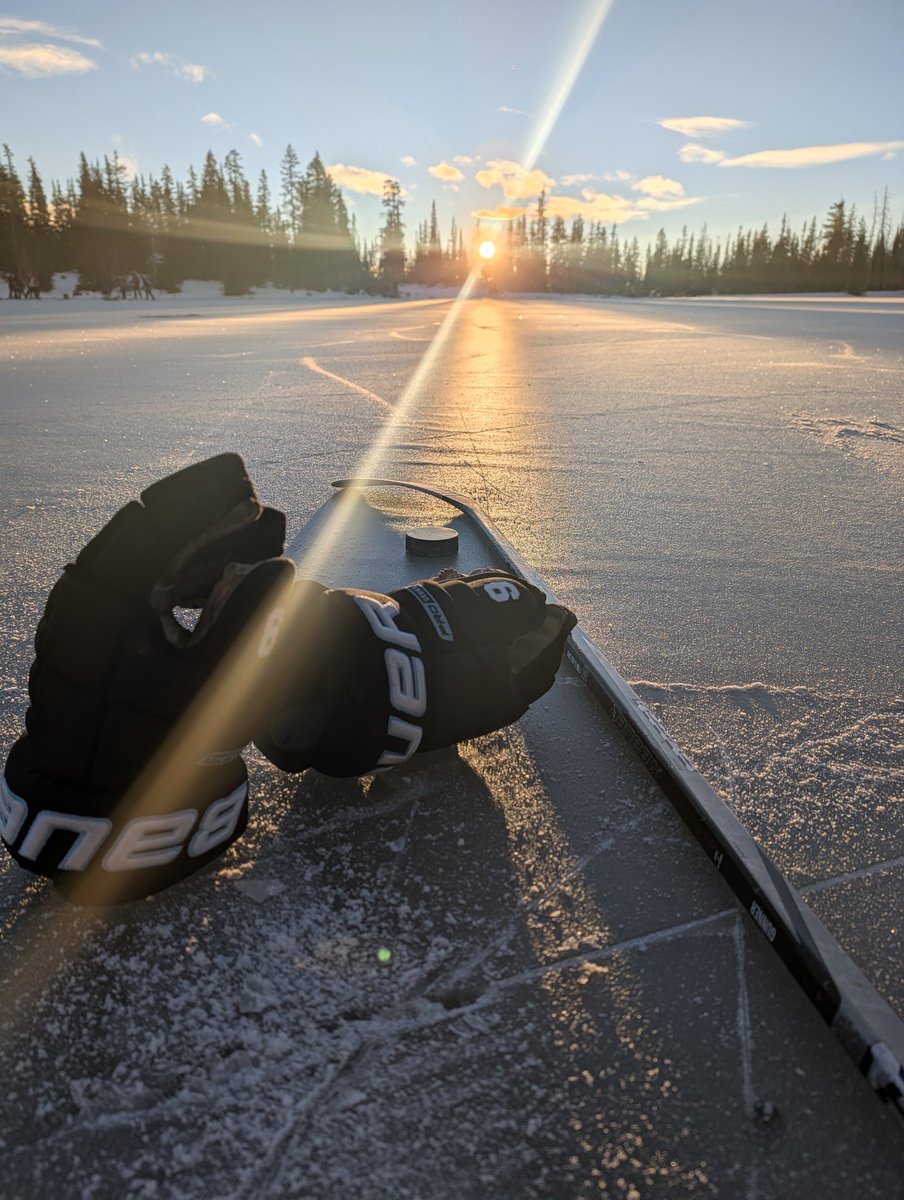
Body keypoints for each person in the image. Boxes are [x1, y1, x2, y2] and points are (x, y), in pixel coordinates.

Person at [0, 455, 575, 905]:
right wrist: (380, 682)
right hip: (150, 827)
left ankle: (97, 782)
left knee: (114, 631)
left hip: (79, 812)